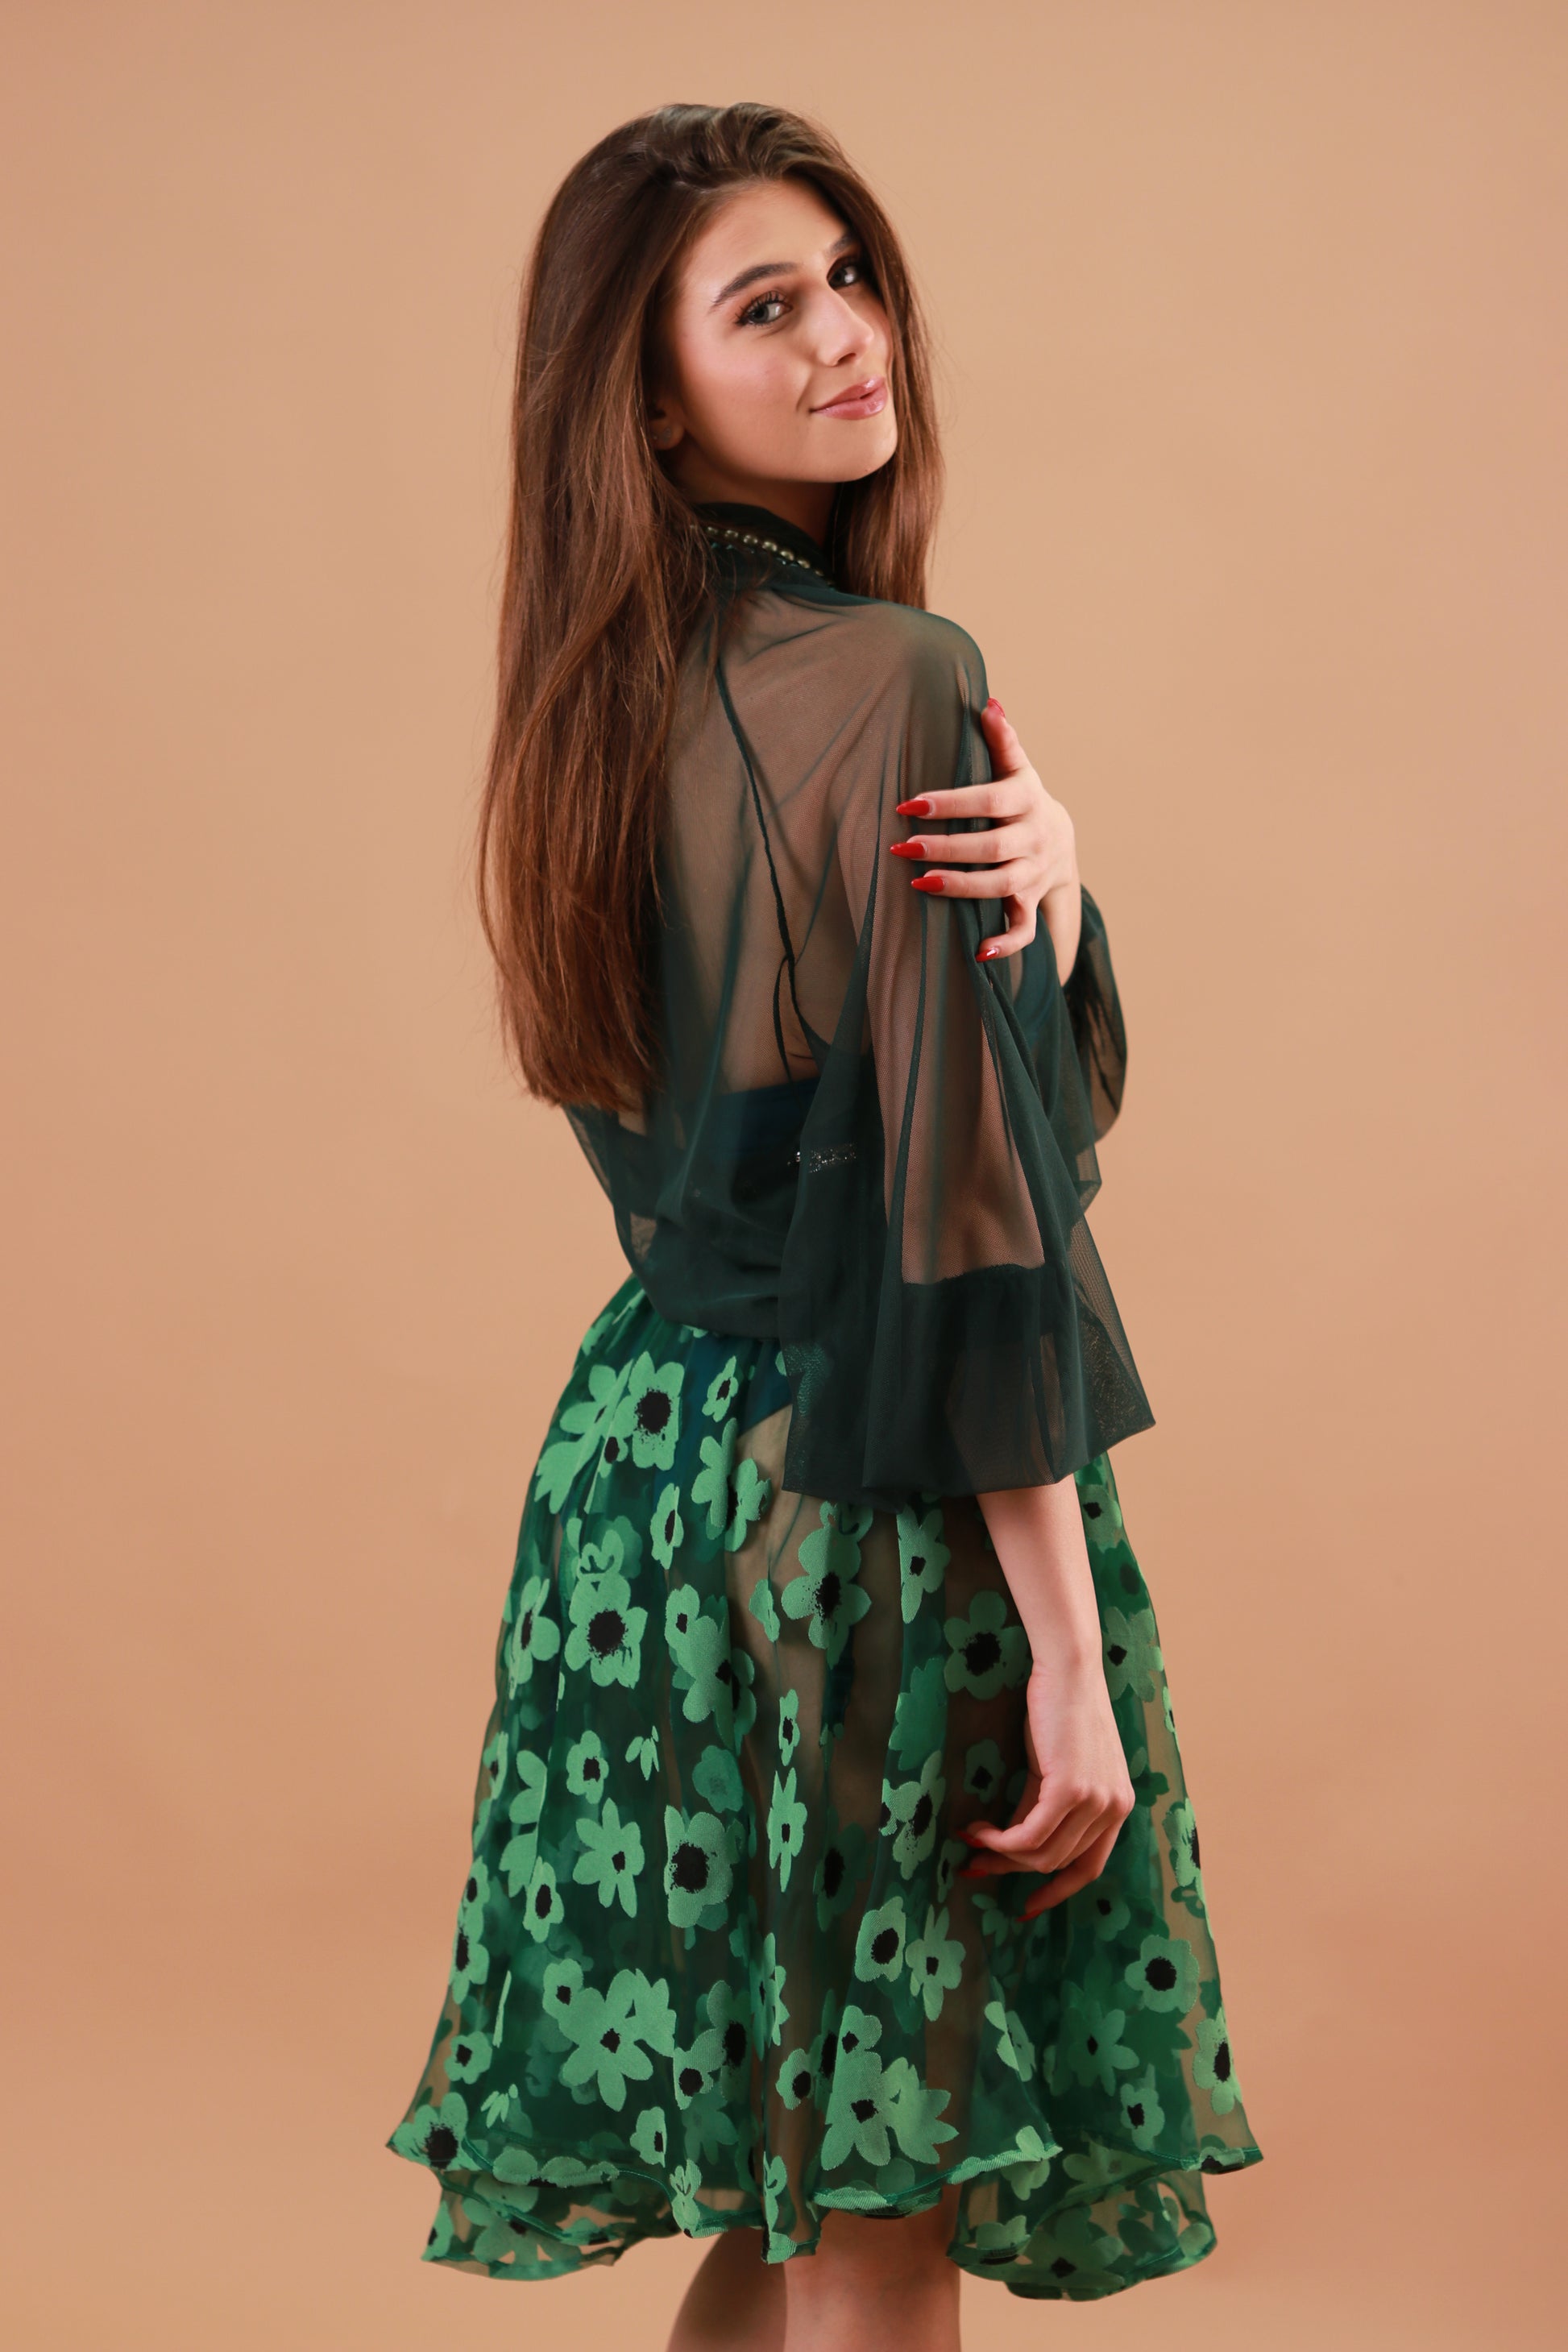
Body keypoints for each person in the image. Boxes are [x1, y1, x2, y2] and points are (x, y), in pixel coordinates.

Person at [385, 101, 1261, 2349]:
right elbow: (964, 1226)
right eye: (763, 303)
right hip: (865, 1512)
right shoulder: (889, 677)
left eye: (849, 274)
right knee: (876, 2221)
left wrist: (1048, 904)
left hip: (639, 1498)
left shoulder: (585, 696)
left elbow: (825, 1129)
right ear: (649, 389)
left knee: (785, 2200)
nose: (845, 333)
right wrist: (1064, 1658)